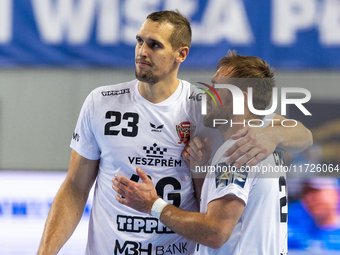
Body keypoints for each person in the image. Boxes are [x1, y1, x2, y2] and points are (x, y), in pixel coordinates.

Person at [38, 11, 311, 255]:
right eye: (140, 41)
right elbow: (75, 187)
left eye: (154, 45)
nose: (142, 51)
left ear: (181, 54)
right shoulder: (101, 102)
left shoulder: (205, 108)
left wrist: (273, 135)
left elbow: (301, 134)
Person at [112, 52, 292, 254]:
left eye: (216, 88)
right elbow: (221, 218)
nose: (206, 94)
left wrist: (151, 204)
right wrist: (199, 171)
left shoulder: (237, 152)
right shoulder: (268, 148)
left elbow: (215, 233)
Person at [288, 178, 340, 251]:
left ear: (335, 193)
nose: (310, 198)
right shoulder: (295, 234)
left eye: (316, 191)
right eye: (305, 193)